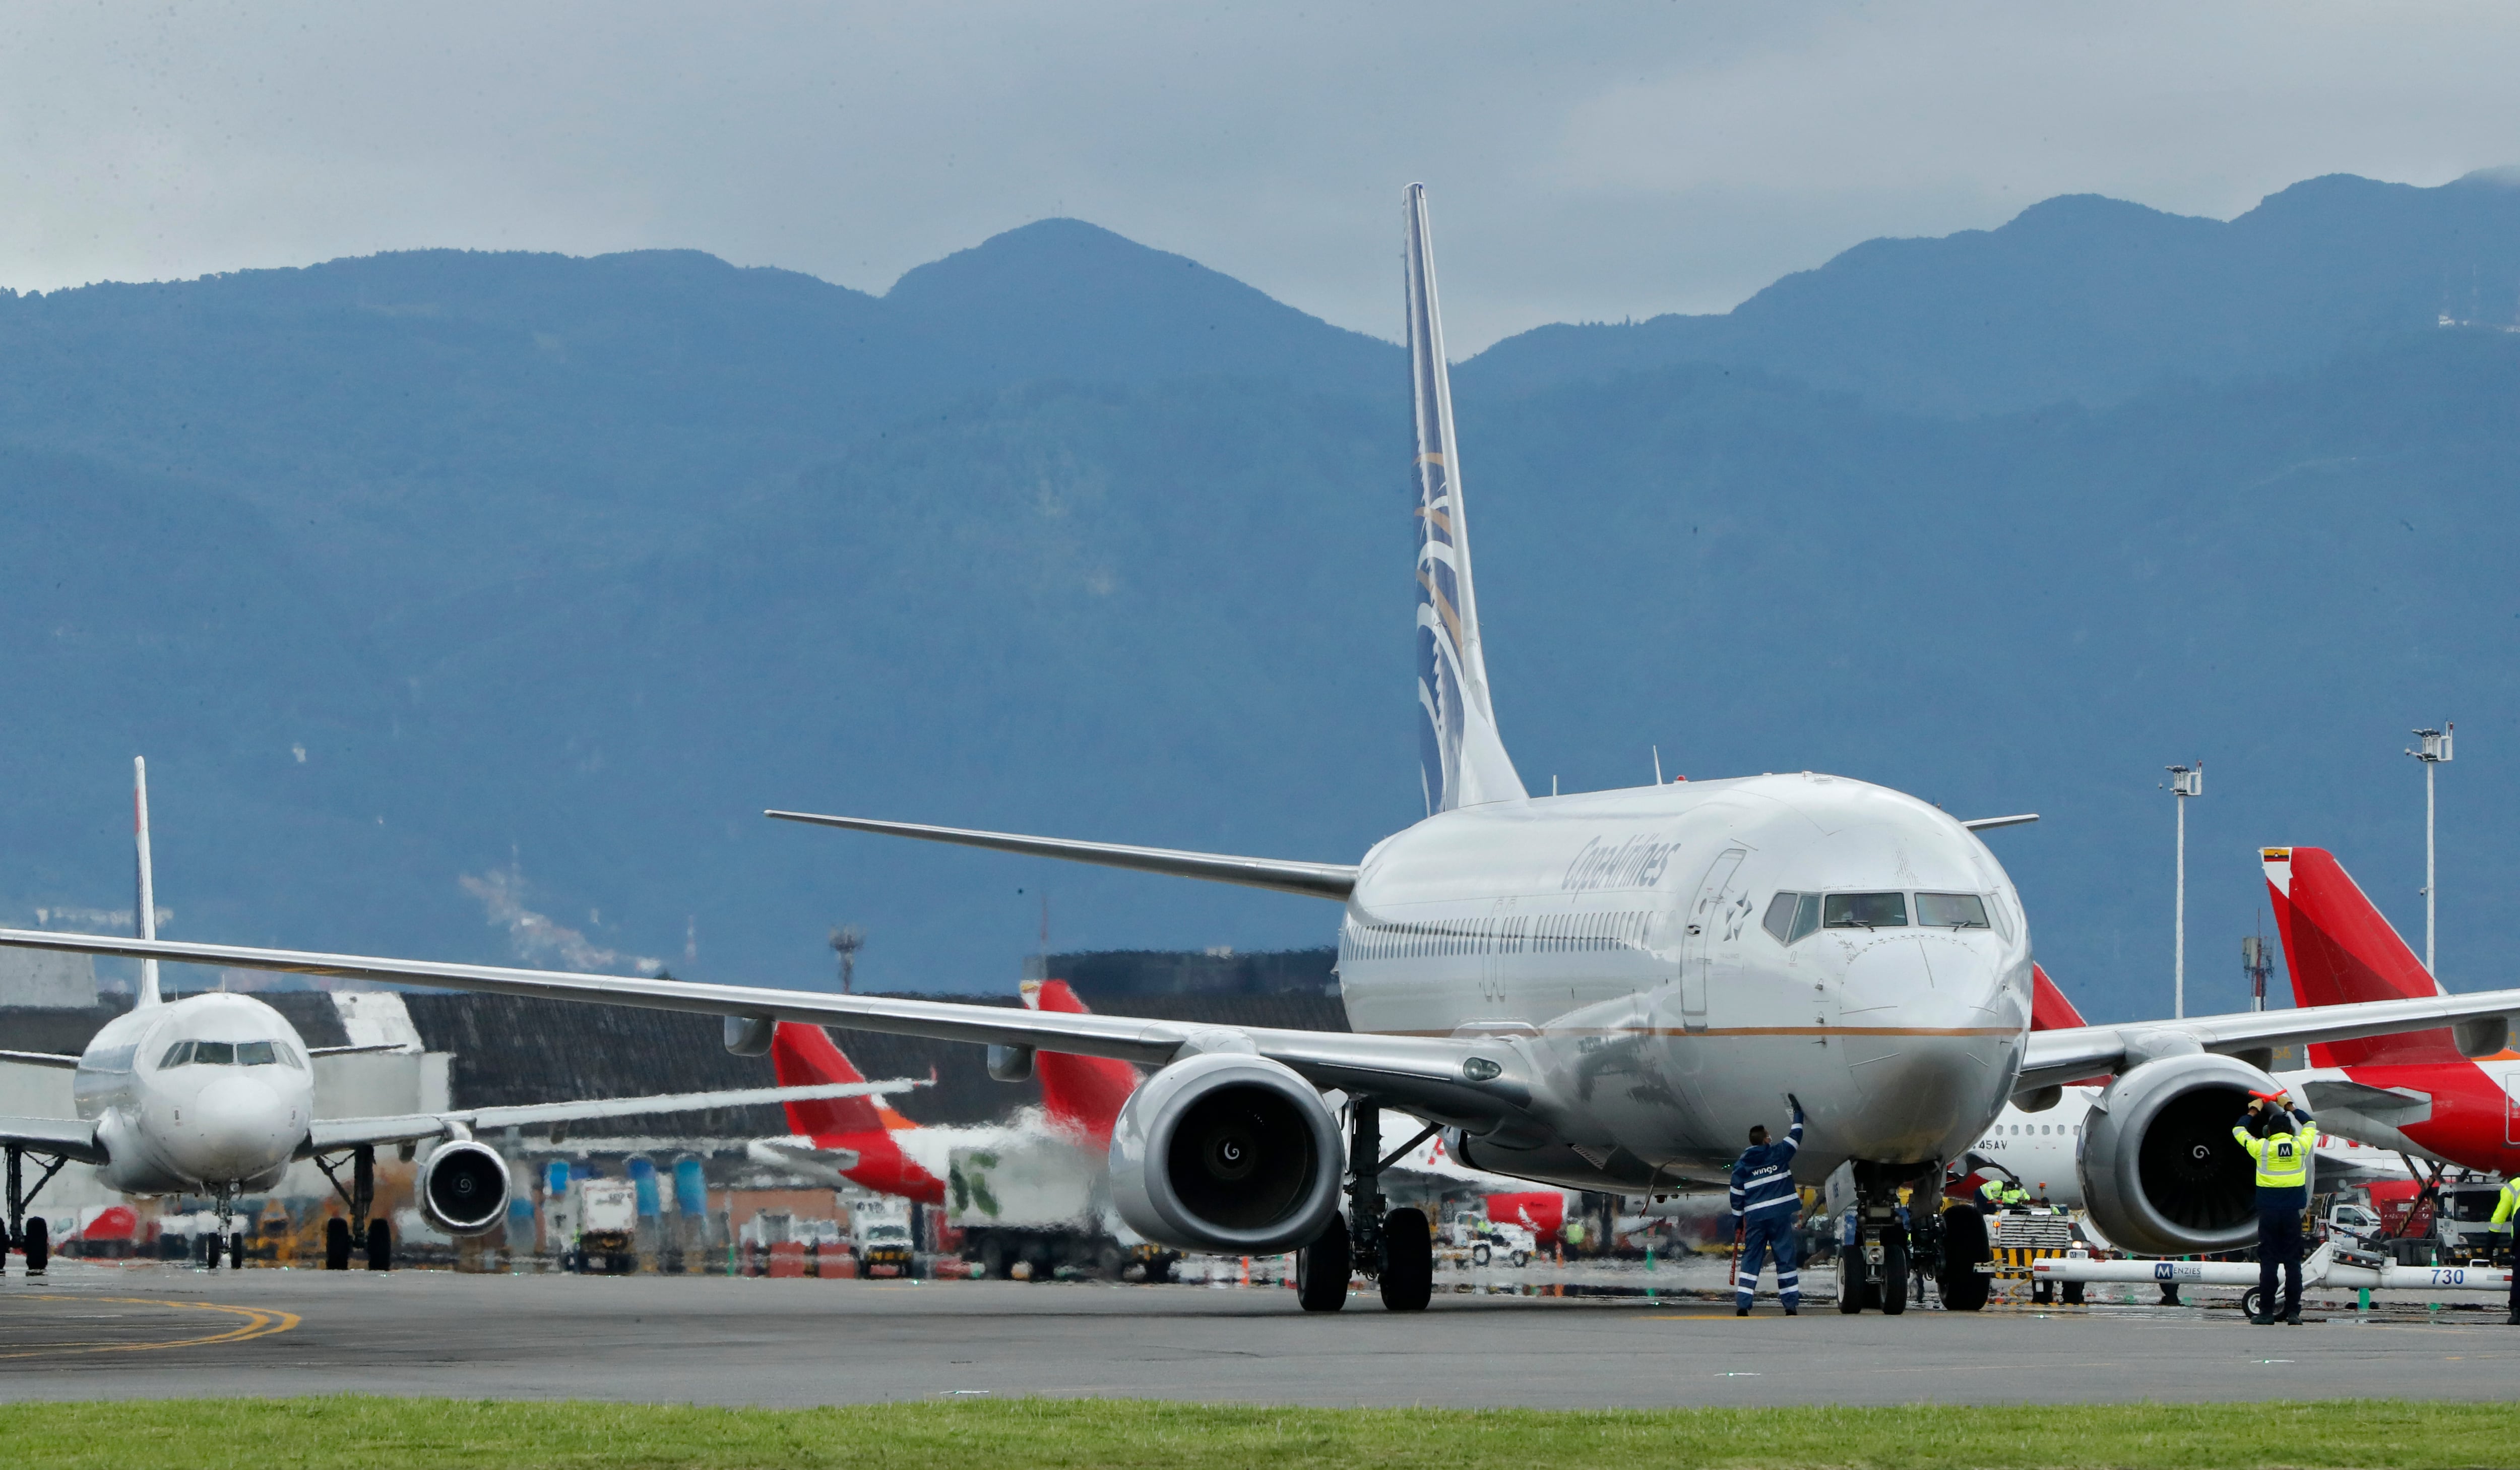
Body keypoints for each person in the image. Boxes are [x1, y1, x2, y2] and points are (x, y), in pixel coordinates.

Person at [2234, 1091, 2315, 1325]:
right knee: (2293, 1264)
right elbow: (2310, 1123)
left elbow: (2238, 1131)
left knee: (2269, 1263)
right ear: (2290, 1132)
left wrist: (2254, 1110)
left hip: (2269, 1213)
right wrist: (2289, 1106)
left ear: (2268, 1132)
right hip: (2292, 1214)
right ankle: (2293, 1313)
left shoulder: (2262, 1148)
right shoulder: (2301, 1146)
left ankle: (2267, 1312)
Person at [1728, 1095, 1806, 1316]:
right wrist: (1798, 1113)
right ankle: (1790, 1305)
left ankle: (1743, 1305)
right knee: (1784, 1257)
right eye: (1769, 1135)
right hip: (1779, 1217)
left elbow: (1736, 1197)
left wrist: (1738, 1224)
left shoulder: (1742, 1166)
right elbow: (1796, 1135)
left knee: (1751, 1259)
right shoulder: (1778, 1153)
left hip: (1755, 1219)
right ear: (1765, 1140)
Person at [2490, 1175, 2520, 1325]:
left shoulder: (2512, 1187)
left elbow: (2497, 1220)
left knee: (2519, 1274)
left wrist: (2489, 1250)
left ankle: (2517, 1312)